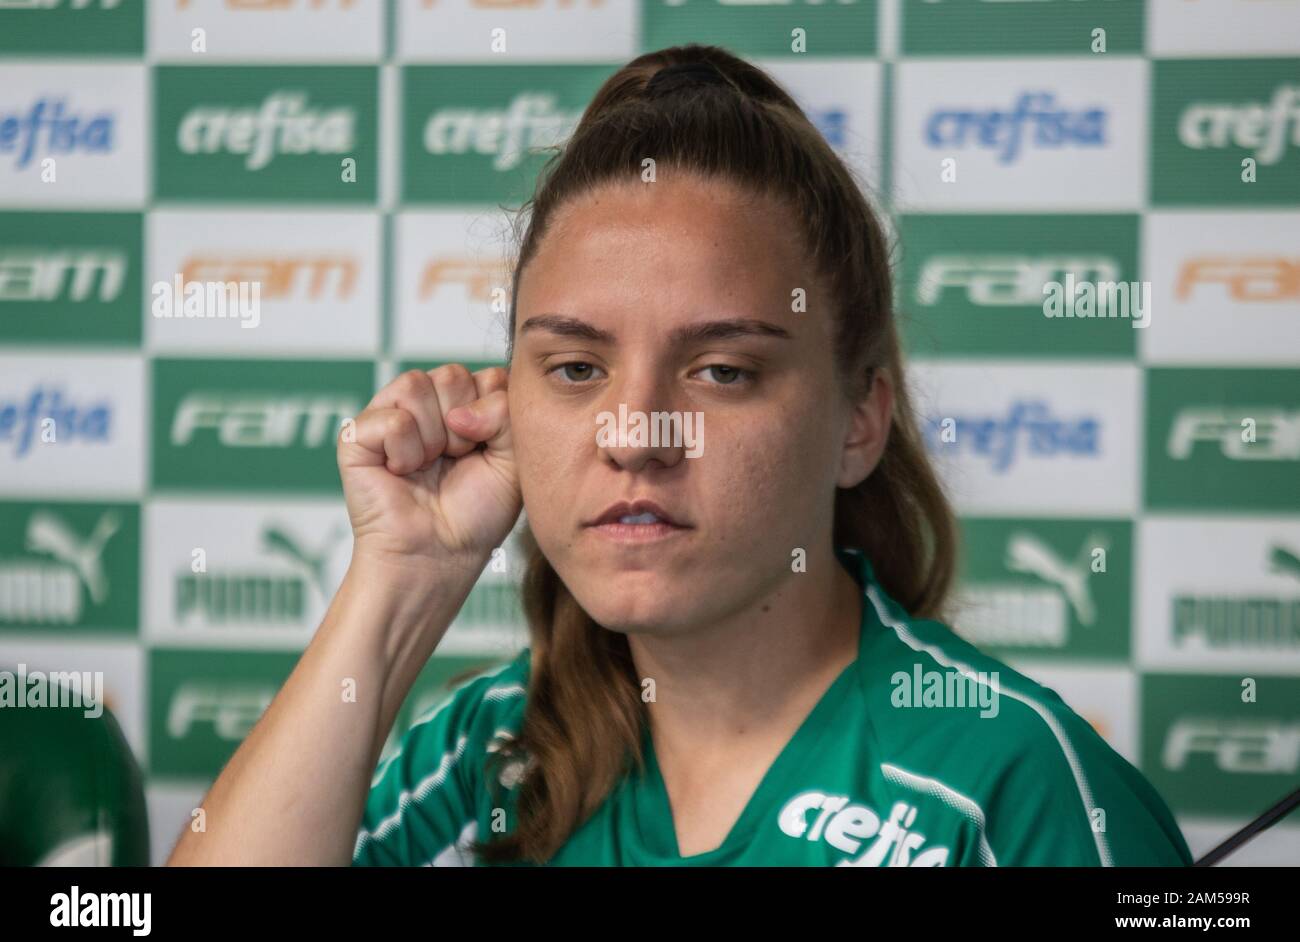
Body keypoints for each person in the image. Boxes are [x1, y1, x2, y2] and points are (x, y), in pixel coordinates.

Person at [167, 44, 1192, 867]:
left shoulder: (1010, 781)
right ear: (506, 403)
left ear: (858, 420)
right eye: (574, 368)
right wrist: (402, 580)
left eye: (722, 371)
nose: (634, 435)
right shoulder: (492, 744)